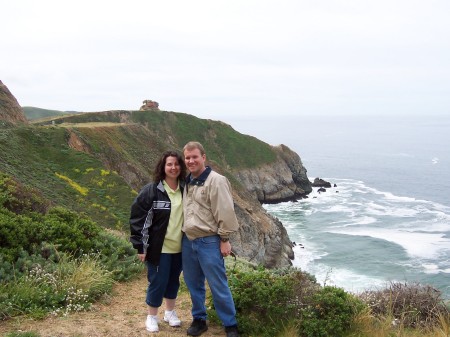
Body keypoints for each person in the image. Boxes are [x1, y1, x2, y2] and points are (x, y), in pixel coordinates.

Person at [182, 141, 240, 337]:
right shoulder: (187, 181)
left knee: (218, 284)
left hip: (209, 241)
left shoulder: (216, 180)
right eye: (187, 158)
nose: (191, 161)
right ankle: (199, 319)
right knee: (193, 283)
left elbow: (225, 211)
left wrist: (225, 239)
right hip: (188, 241)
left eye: (194, 157)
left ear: (203, 157)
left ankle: (230, 325)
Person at [129, 150, 186, 333]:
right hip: (159, 248)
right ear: (163, 167)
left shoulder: (186, 189)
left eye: (176, 164)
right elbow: (139, 220)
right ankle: (152, 316)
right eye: (169, 164)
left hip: (180, 247)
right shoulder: (152, 190)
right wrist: (140, 246)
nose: (173, 167)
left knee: (173, 281)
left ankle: (170, 313)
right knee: (157, 281)